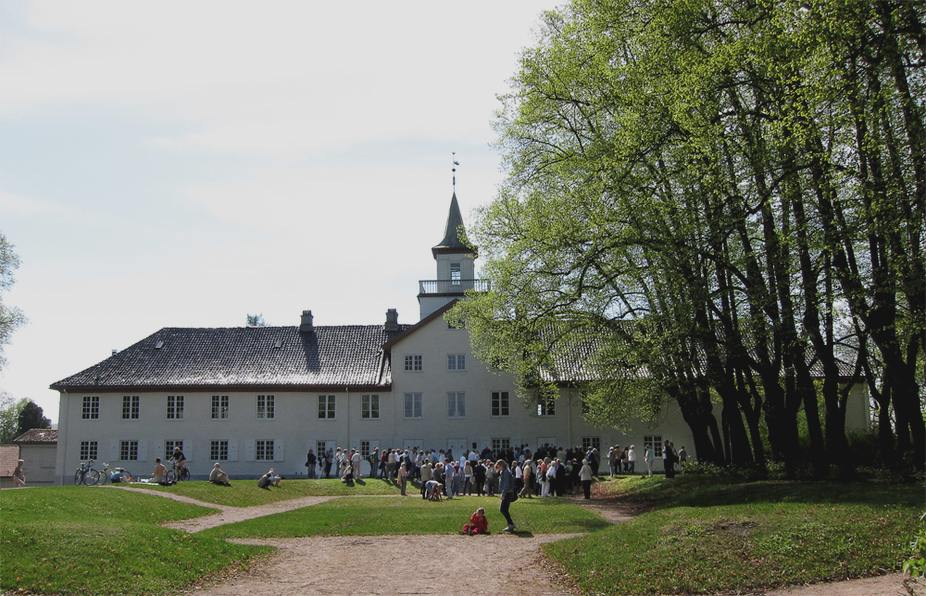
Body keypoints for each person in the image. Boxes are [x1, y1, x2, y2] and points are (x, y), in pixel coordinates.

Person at [496, 459, 516, 533]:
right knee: (505, 509)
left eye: (498, 466)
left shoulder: (506, 472)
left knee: (502, 509)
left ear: (501, 465)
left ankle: (511, 524)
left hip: (507, 493)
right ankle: (510, 524)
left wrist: (503, 494)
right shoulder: (504, 471)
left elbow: (506, 485)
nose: (498, 468)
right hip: (507, 492)